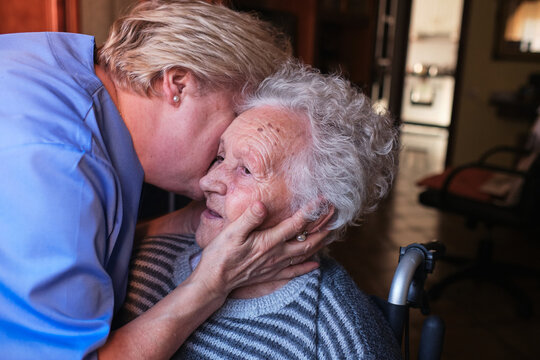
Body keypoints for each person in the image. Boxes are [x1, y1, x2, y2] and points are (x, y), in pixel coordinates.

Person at [0, 2, 329, 359]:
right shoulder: (62, 165)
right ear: (177, 84)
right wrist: (212, 284)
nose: (233, 141)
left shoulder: (56, 63)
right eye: (235, 116)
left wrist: (189, 221)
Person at [118, 62, 402, 359]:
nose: (208, 181)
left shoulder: (336, 339)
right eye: (220, 156)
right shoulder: (140, 262)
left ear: (315, 215)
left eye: (246, 170)